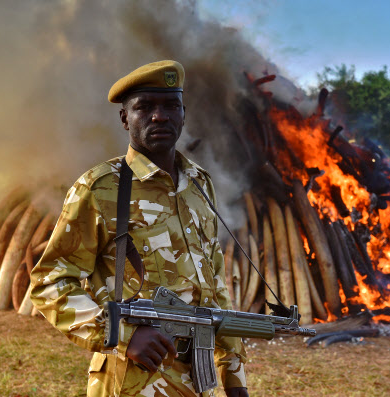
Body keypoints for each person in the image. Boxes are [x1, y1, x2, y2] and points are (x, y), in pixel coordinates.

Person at [30, 60, 248, 397]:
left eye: (170, 106)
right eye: (144, 107)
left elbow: (215, 290)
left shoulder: (199, 185)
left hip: (198, 385)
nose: (159, 116)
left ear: (183, 114)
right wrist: (121, 334)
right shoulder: (100, 188)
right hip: (130, 382)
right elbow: (50, 282)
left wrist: (234, 380)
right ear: (124, 118)